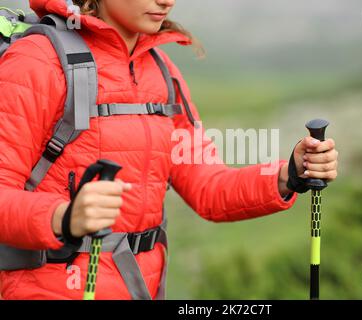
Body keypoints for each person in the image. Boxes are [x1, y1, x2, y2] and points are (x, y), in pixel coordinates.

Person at [0, 0, 339, 300]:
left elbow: (208, 187)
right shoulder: (38, 62)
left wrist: (288, 175)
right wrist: (64, 216)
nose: (167, 2)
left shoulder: (162, 72)